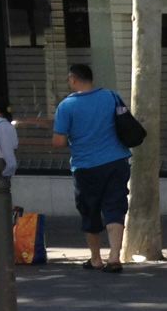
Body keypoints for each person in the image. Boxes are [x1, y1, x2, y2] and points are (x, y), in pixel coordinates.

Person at [52, 63, 132, 272]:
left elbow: (59, 141)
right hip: (116, 160)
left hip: (85, 165)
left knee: (90, 210)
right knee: (115, 207)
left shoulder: (66, 106)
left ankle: (96, 258)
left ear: (73, 79)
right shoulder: (111, 97)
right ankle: (114, 257)